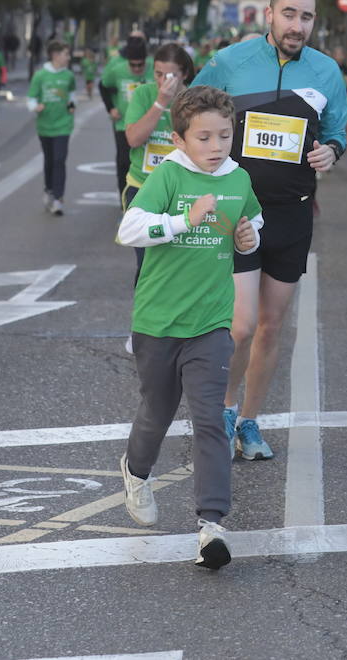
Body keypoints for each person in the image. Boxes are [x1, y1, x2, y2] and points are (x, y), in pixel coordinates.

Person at [193, 0, 347, 460]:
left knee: (272, 326)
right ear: (268, 14)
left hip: (293, 213)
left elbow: (338, 132)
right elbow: (190, 112)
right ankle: (221, 407)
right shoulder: (229, 62)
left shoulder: (326, 72)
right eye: (289, 14)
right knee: (240, 325)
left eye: (306, 17)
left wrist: (331, 151)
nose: (297, 26)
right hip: (239, 212)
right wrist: (207, 161)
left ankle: (249, 421)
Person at [115, 85, 262, 570]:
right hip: (159, 320)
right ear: (179, 140)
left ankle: (212, 525)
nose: (216, 146)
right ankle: (137, 472)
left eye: (224, 135)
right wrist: (181, 220)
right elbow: (129, 229)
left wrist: (247, 238)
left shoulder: (239, 178)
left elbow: (252, 227)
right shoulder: (169, 176)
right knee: (156, 412)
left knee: (209, 420)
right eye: (204, 137)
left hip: (211, 322)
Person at [124, 43, 195, 275]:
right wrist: (160, 103)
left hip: (180, 192)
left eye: (171, 75)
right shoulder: (144, 94)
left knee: (175, 266)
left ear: (184, 73)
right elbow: (134, 139)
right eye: (158, 74)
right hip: (142, 187)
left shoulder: (195, 99)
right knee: (146, 264)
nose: (164, 80)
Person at [27, 41, 78, 216]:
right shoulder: (40, 76)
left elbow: (71, 95)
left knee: (59, 160)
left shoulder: (69, 76)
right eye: (66, 54)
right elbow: (31, 97)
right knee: (49, 160)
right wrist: (35, 107)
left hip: (63, 125)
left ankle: (58, 198)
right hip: (45, 126)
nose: (68, 57)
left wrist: (72, 105)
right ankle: (49, 189)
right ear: (55, 56)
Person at [100, 34, 150, 194]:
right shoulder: (117, 69)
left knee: (145, 163)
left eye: (140, 65)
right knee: (123, 162)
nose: (136, 69)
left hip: (149, 125)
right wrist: (111, 108)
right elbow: (103, 86)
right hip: (123, 123)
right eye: (132, 65)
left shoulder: (155, 68)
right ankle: (124, 200)